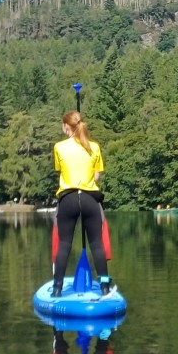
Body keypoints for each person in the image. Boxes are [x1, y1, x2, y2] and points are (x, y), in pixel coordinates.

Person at [52, 110, 111, 296]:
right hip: (89, 199)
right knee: (96, 244)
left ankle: (57, 289)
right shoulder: (94, 147)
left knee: (64, 244)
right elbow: (96, 175)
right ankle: (104, 287)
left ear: (65, 126)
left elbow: (60, 170)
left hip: (68, 198)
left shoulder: (59, 147)